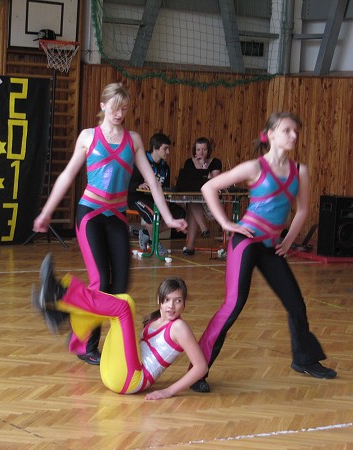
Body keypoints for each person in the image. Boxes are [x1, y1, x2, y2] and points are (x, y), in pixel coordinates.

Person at [33, 82, 187, 366]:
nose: (120, 113)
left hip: (115, 216)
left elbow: (152, 181)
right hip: (90, 213)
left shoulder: (134, 140)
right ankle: (72, 319)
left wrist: (167, 218)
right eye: (115, 107)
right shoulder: (87, 137)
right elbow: (67, 176)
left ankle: (70, 322)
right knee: (101, 281)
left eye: (124, 108)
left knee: (119, 289)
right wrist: (46, 212)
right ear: (103, 106)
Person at [190, 112, 337, 393]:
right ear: (270, 134)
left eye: (296, 131)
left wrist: (289, 240)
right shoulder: (254, 167)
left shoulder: (300, 171)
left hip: (271, 247)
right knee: (233, 306)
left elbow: (303, 209)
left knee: (296, 303)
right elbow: (208, 187)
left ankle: (304, 359)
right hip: (245, 242)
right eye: (287, 130)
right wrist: (225, 223)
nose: (294, 135)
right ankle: (198, 369)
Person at [32, 253, 208, 400]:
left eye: (178, 301)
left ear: (184, 305)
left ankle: (62, 298)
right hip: (111, 373)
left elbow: (201, 367)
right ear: (159, 301)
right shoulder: (156, 319)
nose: (171, 306)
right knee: (123, 302)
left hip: (130, 380)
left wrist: (168, 391)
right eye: (167, 300)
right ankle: (63, 313)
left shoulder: (180, 328)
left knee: (123, 306)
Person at [128, 133, 186, 256]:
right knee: (151, 214)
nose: (168, 152)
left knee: (180, 214)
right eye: (165, 148)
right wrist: (138, 185)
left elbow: (164, 188)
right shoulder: (140, 161)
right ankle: (154, 242)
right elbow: (127, 182)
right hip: (137, 197)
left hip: (156, 199)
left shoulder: (165, 167)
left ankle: (146, 233)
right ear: (155, 148)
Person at [182, 137, 222, 255]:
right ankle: (203, 229)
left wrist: (203, 167)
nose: (201, 152)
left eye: (204, 150)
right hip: (195, 198)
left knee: (192, 204)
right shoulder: (189, 163)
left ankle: (190, 246)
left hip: (212, 201)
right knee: (192, 201)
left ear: (208, 150)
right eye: (198, 149)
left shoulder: (215, 162)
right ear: (195, 150)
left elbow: (214, 183)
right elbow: (189, 183)